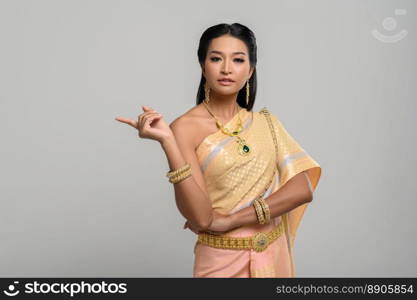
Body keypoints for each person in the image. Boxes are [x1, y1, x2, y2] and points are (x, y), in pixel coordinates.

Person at [115, 23, 322, 278]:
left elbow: (302, 188)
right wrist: (167, 142)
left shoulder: (266, 123)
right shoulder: (184, 128)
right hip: (221, 260)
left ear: (250, 70)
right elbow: (202, 218)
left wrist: (231, 220)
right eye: (216, 59)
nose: (226, 68)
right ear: (203, 66)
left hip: (273, 253)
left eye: (238, 60)